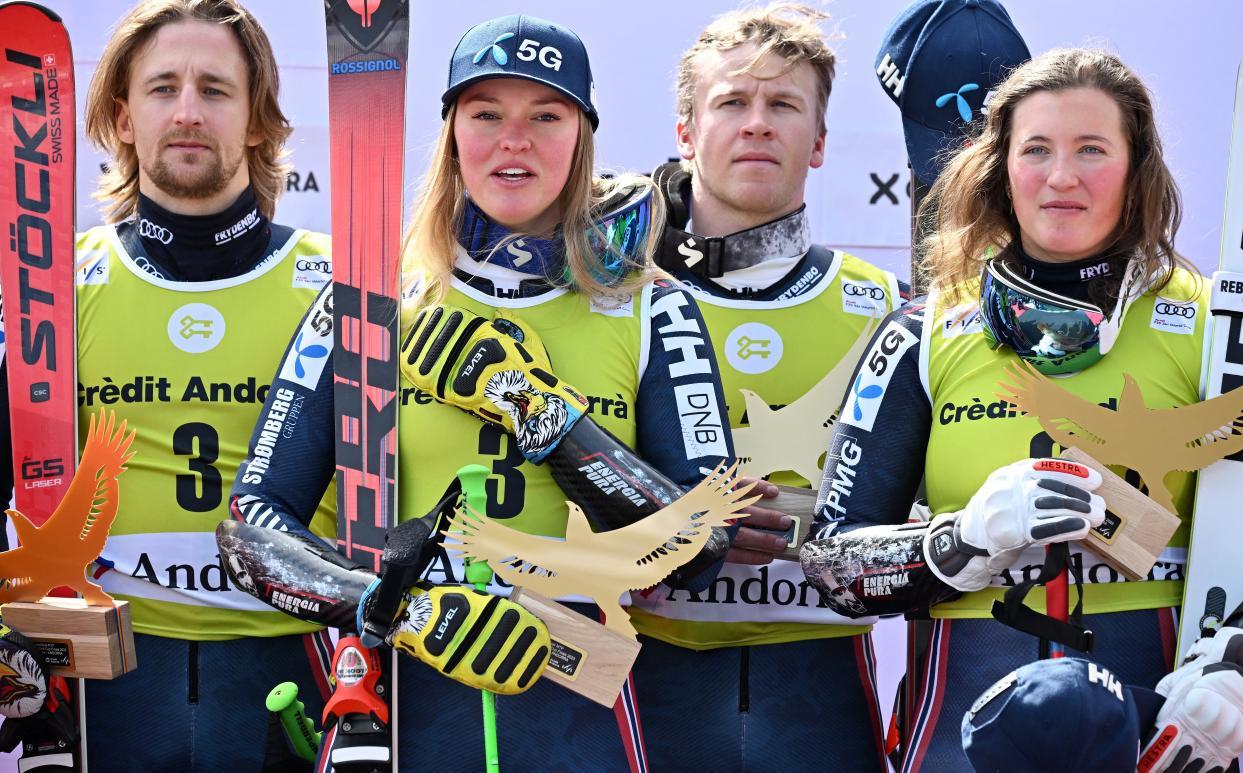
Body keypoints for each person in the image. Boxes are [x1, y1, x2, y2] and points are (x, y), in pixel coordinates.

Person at [229, 14, 739, 772]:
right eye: (487, 114)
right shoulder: (369, 300)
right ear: (452, 135)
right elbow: (252, 523)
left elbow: (702, 543)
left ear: (582, 137)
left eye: (547, 116)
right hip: (402, 696)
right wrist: (393, 605)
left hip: (579, 711)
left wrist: (539, 412)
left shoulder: (652, 308)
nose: (515, 140)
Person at [798, 47, 1243, 770]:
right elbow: (833, 565)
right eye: (1037, 149)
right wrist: (960, 539)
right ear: (1001, 167)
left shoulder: (1213, 328)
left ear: (1137, 168)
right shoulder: (923, 332)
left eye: (1092, 149)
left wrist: (1240, 665)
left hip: (1164, 731)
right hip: (961, 731)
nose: (1061, 176)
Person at [0, 1, 336, 770]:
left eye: (215, 89)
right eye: (162, 88)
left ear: (258, 119)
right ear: (123, 118)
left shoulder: (336, 281)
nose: (188, 112)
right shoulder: (53, 288)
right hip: (108, 675)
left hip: (289, 663)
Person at [627, 5, 905, 769]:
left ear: (819, 142)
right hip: (648, 675)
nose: (757, 123)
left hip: (821, 687)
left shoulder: (884, 304)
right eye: (731, 102)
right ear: (686, 133)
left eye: (783, 103)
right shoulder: (619, 298)